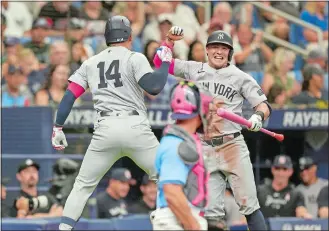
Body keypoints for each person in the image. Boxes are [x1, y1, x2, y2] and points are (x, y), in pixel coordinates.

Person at [52, 15, 171, 231]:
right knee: (166, 178)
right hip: (135, 127)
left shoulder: (91, 62)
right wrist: (165, 63)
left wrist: (58, 126)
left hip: (105, 129)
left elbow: (70, 95)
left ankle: (64, 228)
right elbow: (154, 86)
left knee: (82, 186)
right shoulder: (135, 57)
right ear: (129, 36)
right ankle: (169, 223)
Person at [154, 27, 271, 230]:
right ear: (206, 50)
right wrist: (169, 42)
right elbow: (160, 63)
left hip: (232, 144)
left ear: (230, 52)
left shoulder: (240, 76)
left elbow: (263, 105)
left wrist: (257, 117)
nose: (219, 51)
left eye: (223, 48)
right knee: (211, 214)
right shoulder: (194, 68)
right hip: (204, 147)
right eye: (214, 47)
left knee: (250, 206)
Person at [150, 80, 212, 230]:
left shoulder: (182, 140)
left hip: (182, 217)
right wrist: (193, 226)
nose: (209, 113)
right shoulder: (176, 144)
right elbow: (172, 193)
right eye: (207, 108)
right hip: (175, 220)